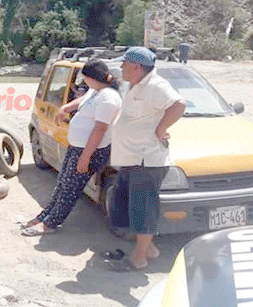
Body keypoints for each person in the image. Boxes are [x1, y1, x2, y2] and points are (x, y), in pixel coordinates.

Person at [21, 60, 122, 236]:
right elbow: (82, 101)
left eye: (85, 78)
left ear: (92, 78)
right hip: (77, 147)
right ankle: (44, 216)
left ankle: (50, 224)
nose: (84, 82)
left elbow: (100, 130)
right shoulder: (96, 91)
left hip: (90, 151)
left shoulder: (108, 98)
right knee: (62, 183)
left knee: (70, 189)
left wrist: (85, 157)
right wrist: (65, 108)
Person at [107, 46, 186, 272]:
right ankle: (149, 249)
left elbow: (179, 105)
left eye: (125, 64)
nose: (121, 67)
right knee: (125, 207)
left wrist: (161, 129)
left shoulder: (155, 85)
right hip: (132, 158)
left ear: (137, 67)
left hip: (146, 160)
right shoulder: (134, 85)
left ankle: (138, 258)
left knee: (144, 210)